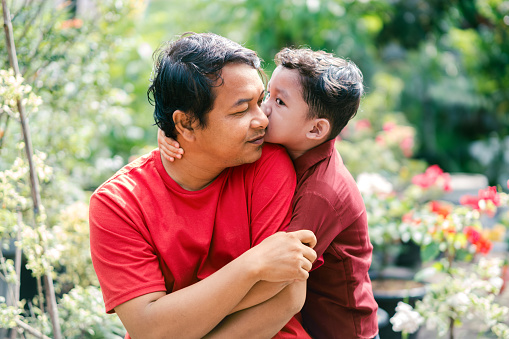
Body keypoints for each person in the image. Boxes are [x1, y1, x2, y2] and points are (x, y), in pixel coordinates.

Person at [89, 32, 318, 339]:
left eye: (259, 101)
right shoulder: (117, 203)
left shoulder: (267, 163)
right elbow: (149, 329)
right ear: (185, 124)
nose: (262, 120)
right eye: (240, 110)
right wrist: (253, 265)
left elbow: (286, 294)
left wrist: (176, 319)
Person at [160, 47, 379, 338]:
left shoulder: (321, 193)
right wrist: (170, 132)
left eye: (278, 102)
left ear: (315, 130)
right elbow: (207, 118)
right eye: (267, 96)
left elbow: (279, 277)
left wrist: (196, 315)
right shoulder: (288, 144)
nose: (262, 111)